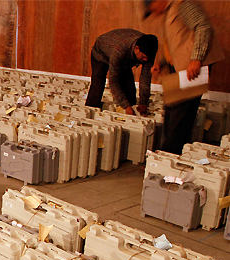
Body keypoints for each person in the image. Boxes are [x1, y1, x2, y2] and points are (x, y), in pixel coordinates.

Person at [144, 0, 225, 154]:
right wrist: (162, 62)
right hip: (182, 67)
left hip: (193, 67)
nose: (154, 13)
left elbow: (203, 27)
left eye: (152, 9)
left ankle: (170, 159)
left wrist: (196, 59)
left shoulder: (183, 4)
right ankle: (165, 156)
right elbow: (177, 41)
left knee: (179, 117)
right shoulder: (169, 12)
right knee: (171, 111)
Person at [85, 29, 158, 116]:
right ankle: (90, 111)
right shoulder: (119, 50)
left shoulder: (148, 49)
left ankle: (131, 111)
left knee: (129, 89)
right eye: (143, 57)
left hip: (124, 58)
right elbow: (113, 81)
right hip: (101, 53)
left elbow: (145, 77)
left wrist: (143, 102)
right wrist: (126, 106)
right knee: (98, 84)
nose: (145, 60)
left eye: (147, 58)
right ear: (136, 48)